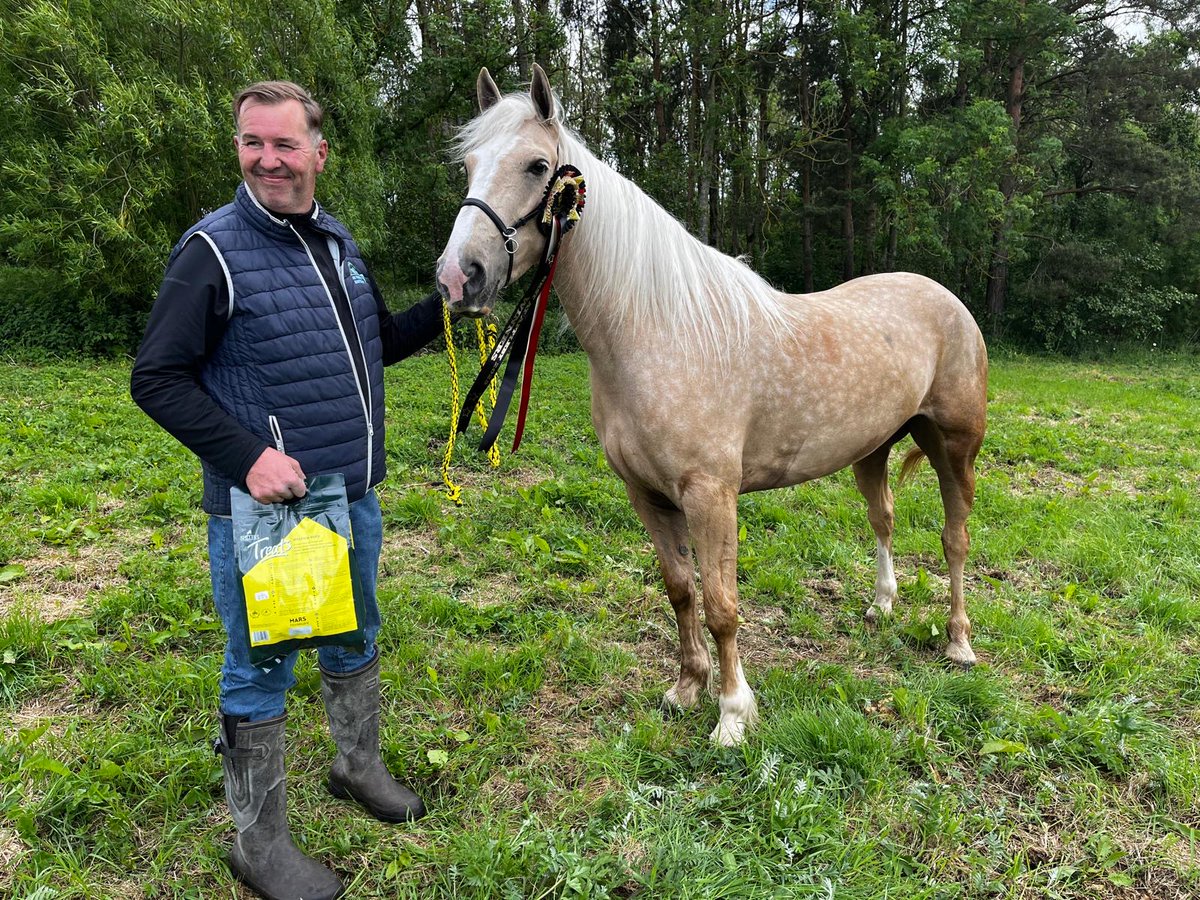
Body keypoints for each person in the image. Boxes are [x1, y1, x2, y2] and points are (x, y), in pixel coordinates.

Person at [131, 81, 444, 900]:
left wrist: (448, 307)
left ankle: (357, 768)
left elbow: (376, 344)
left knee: (354, 635)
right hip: (273, 514)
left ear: (318, 153)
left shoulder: (336, 241)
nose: (267, 159)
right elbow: (156, 377)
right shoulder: (212, 251)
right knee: (260, 667)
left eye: (284, 144)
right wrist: (248, 459)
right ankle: (258, 845)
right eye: (252, 142)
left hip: (350, 499)